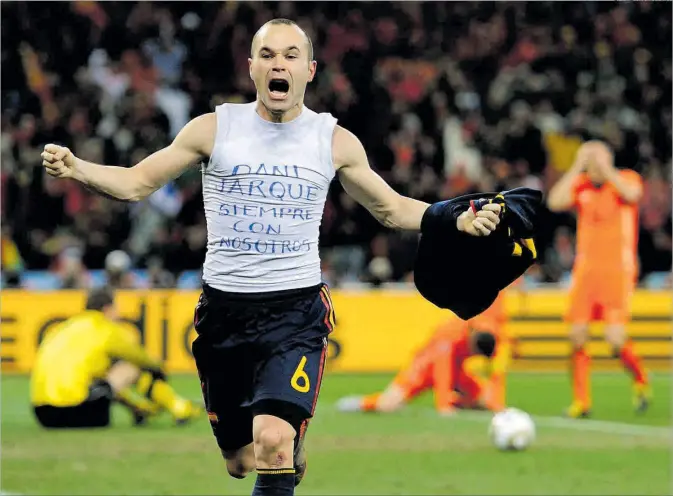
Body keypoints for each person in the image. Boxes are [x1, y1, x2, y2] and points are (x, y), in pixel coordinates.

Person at [41, 18, 501, 495]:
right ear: (252, 67)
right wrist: (78, 168)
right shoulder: (213, 129)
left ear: (309, 70)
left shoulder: (333, 140)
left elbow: (391, 208)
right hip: (224, 315)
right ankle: (283, 447)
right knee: (240, 461)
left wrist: (455, 218)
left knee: (273, 441)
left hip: (295, 312)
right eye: (267, 55)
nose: (278, 64)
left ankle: (285, 439)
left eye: (289, 56)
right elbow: (137, 182)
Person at [547, 140, 649, 418]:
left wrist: (607, 169)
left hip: (617, 271)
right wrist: (577, 166)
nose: (594, 167)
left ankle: (640, 379)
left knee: (615, 341)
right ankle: (582, 402)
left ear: (608, 161)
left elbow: (633, 194)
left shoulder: (625, 179)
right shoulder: (581, 185)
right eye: (589, 162)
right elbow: (555, 201)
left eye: (597, 161)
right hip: (586, 272)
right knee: (577, 337)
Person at [30, 287, 201, 429]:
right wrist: (159, 370)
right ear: (107, 309)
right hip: (77, 412)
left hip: (42, 414)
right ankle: (179, 407)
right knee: (129, 368)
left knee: (102, 378)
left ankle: (138, 410)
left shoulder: (62, 328)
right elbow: (143, 360)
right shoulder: (106, 329)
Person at [336, 294, 510, 415]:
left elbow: (497, 372)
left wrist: (498, 404)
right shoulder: (453, 334)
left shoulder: (493, 335)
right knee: (389, 405)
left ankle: (461, 403)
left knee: (485, 401)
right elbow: (442, 368)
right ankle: (361, 403)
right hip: (426, 365)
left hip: (457, 370)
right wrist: (443, 405)